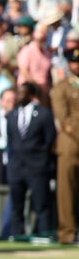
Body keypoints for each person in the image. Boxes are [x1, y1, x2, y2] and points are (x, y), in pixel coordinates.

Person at [5, 82, 57, 237]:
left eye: (22, 92)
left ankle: (44, 234)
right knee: (17, 205)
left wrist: (42, 159)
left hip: (37, 166)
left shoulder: (43, 114)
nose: (18, 96)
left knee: (41, 204)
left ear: (31, 95)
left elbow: (49, 139)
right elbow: (11, 141)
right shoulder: (12, 115)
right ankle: (16, 235)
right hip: (17, 167)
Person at [49, 49, 79, 246]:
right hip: (71, 144)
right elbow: (63, 118)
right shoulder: (62, 87)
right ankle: (67, 232)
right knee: (67, 191)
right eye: (74, 62)